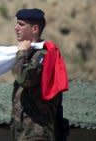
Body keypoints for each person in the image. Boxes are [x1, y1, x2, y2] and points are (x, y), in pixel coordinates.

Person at [11, 8, 67, 141]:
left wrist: (22, 54)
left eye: (21, 24)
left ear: (35, 29)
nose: (16, 28)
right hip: (25, 133)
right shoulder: (30, 54)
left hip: (37, 133)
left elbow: (25, 79)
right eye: (16, 24)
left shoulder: (43, 55)